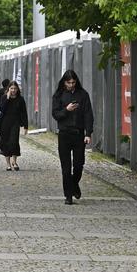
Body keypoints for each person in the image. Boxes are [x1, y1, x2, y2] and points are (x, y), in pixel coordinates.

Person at [52, 70, 94, 205]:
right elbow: (56, 114)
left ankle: (74, 184)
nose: (71, 85)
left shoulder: (83, 95)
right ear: (64, 82)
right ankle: (68, 195)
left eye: (73, 82)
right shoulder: (58, 95)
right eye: (69, 83)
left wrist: (88, 133)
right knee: (65, 167)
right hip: (64, 134)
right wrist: (67, 110)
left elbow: (88, 115)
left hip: (78, 134)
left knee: (78, 165)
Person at [0, 81, 28, 171]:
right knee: (5, 142)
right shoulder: (4, 98)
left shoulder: (20, 99)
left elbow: (24, 113)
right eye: (11, 88)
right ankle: (8, 164)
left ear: (17, 89)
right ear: (8, 89)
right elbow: (2, 109)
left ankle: (14, 162)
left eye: (15, 88)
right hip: (5, 122)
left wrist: (25, 126)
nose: (13, 90)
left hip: (15, 122)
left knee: (14, 141)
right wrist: (7, 98)